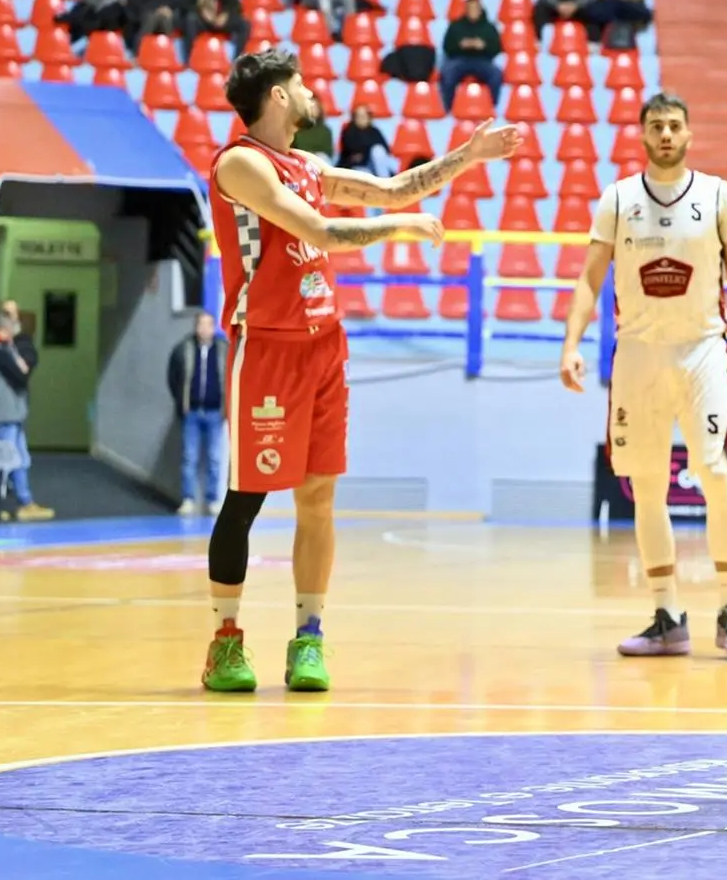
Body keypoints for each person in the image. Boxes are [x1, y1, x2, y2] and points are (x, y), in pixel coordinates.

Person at [200, 46, 519, 695]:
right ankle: (225, 640)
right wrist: (402, 227)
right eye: (300, 83)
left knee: (318, 497)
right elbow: (317, 230)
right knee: (246, 498)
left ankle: (307, 636)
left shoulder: (307, 163)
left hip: (323, 344)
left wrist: (468, 155)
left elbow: (395, 186)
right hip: (264, 345)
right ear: (278, 96)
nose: (312, 91)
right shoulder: (239, 163)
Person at [559, 93, 727, 659]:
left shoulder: (718, 195)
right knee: (646, 485)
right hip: (638, 355)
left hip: (702, 350)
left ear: (689, 134)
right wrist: (572, 344)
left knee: (715, 470)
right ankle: (667, 613)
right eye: (657, 126)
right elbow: (587, 279)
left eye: (675, 125)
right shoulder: (619, 199)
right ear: (643, 135)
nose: (667, 134)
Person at [0, 302, 52, 522]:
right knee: (5, 465)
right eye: (13, 320)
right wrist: (16, 356)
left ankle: (25, 502)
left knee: (19, 461)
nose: (17, 325)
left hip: (10, 416)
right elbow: (20, 375)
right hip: (2, 417)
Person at [167, 312, 227, 517]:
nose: (204, 329)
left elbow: (230, 377)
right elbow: (173, 376)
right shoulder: (184, 348)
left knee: (214, 458)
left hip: (214, 413)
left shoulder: (223, 349)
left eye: (208, 325)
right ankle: (188, 499)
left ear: (214, 327)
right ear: (195, 327)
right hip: (191, 412)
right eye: (200, 324)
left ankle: (212, 500)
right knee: (189, 457)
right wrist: (180, 401)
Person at [439, 0, 503, 112]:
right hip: (459, 59)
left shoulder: (489, 28)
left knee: (496, 74)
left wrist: (484, 46)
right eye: (470, 8)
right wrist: (460, 45)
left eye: (475, 8)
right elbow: (447, 47)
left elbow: (497, 48)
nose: (473, 11)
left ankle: (491, 107)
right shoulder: (456, 26)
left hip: (483, 60)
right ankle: (447, 108)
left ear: (480, 9)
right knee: (447, 73)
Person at [180, 0, 249, 59]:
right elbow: (184, 4)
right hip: (202, 21)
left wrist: (225, 15)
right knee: (190, 19)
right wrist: (201, 13)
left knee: (244, 24)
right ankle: (190, 59)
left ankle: (238, 60)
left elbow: (236, 6)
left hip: (222, 20)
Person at [337, 105, 395, 177]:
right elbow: (351, 149)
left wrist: (366, 151)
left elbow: (385, 149)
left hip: (374, 166)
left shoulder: (375, 131)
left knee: (378, 150)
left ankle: (385, 182)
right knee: (364, 174)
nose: (362, 118)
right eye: (359, 115)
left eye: (364, 115)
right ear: (354, 117)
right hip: (357, 167)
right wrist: (368, 149)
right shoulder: (349, 131)